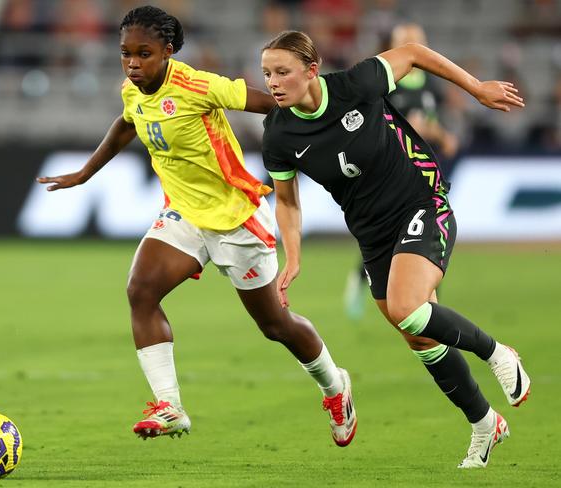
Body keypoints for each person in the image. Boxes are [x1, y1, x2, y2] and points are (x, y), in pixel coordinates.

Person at [37, 7, 357, 447]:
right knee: (140, 290)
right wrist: (85, 173)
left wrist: (320, 126)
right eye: (125, 54)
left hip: (235, 218)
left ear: (168, 52)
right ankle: (170, 407)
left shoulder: (196, 84)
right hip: (185, 214)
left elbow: (270, 103)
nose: (132, 63)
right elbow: (127, 123)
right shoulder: (134, 90)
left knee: (275, 325)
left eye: (144, 54)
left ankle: (335, 387)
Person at [260, 30, 530, 468]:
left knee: (407, 306)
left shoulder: (356, 85)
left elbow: (415, 53)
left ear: (311, 70)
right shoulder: (278, 133)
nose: (273, 82)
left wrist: (477, 88)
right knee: (418, 334)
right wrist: (292, 256)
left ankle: (498, 352)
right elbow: (287, 202)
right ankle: (484, 424)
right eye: (267, 73)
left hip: (421, 202)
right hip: (372, 233)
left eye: (282, 72)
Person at [343, 23, 459, 320]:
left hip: (422, 170)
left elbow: (427, 122)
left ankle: (431, 304)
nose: (412, 46)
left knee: (428, 234)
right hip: (388, 173)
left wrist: (442, 135)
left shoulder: (431, 85)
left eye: (416, 41)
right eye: (404, 42)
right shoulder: (382, 84)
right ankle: (361, 280)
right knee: (390, 234)